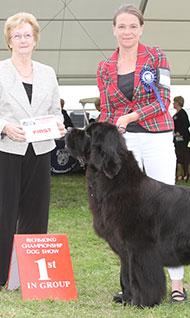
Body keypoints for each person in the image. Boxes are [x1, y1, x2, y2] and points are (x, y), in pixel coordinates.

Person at [97, 4, 186, 303]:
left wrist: (131, 117)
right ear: (113, 30)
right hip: (125, 144)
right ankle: (131, 284)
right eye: (121, 26)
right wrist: (97, 134)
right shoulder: (104, 66)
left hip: (157, 136)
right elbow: (107, 110)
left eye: (133, 26)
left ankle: (177, 284)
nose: (127, 32)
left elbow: (163, 99)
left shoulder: (156, 56)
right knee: (127, 216)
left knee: (168, 207)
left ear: (141, 29)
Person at [0, 12, 66, 290]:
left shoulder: (48, 73)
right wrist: (4, 126)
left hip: (40, 151)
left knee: (37, 213)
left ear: (36, 40)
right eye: (18, 35)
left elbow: (55, 111)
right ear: (9, 41)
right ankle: (3, 275)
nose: (23, 39)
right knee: (4, 213)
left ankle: (29, 277)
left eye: (28, 35)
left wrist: (59, 125)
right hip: (7, 151)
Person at [172, 96, 190, 180]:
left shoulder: (182, 113)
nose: (173, 104)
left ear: (177, 103)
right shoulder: (176, 113)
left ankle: (185, 174)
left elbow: (187, 124)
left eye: (174, 102)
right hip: (177, 138)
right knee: (178, 154)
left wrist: (179, 131)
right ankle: (180, 174)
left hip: (183, 137)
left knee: (182, 155)